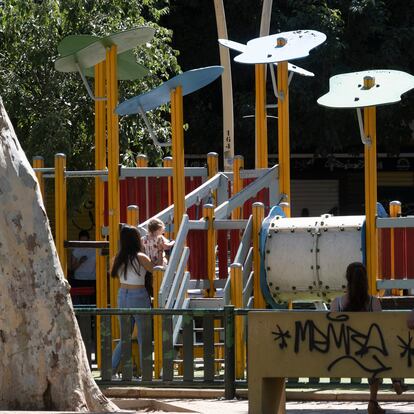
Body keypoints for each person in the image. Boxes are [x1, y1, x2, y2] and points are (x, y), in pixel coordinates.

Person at [330, 262, 406, 414]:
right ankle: (392, 383)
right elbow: (382, 334)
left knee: (371, 351)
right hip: (371, 358)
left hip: (340, 357)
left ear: (347, 279)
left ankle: (379, 397)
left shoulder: (336, 304)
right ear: (365, 280)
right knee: (377, 349)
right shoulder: (374, 303)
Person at [111, 225, 153, 376]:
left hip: (123, 294)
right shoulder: (141, 257)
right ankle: (146, 373)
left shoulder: (117, 257)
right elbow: (154, 268)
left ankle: (111, 370)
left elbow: (113, 273)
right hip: (138, 294)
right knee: (144, 336)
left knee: (125, 337)